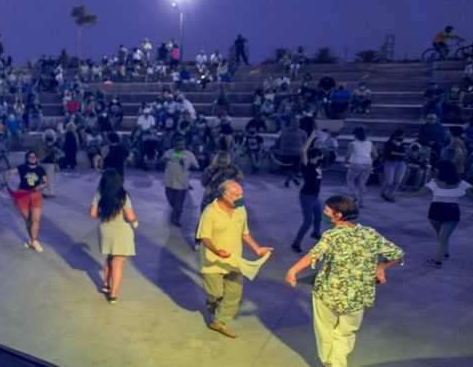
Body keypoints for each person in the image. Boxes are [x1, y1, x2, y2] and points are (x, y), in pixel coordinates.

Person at [285, 195, 404, 367]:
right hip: (357, 296)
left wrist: (292, 271)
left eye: (327, 211)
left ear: (338, 215)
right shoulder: (369, 233)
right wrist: (381, 268)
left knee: (325, 330)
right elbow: (398, 254)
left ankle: (330, 362)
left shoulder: (332, 236)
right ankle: (338, 362)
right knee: (346, 332)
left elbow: (314, 255)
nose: (324, 214)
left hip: (328, 293)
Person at [197, 180, 273, 338]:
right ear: (223, 195)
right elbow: (205, 237)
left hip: (234, 260)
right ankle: (212, 302)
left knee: (234, 293)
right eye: (236, 194)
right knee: (215, 293)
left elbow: (244, 232)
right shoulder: (210, 211)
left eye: (241, 194)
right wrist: (216, 251)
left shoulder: (241, 209)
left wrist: (257, 248)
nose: (240, 197)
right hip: (214, 261)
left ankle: (219, 322)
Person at [89, 169, 139, 304]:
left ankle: (106, 284)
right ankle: (113, 294)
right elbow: (130, 216)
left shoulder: (99, 193)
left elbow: (93, 214)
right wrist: (135, 223)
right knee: (118, 263)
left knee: (109, 258)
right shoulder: (123, 196)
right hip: (121, 231)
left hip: (105, 229)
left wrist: (105, 215)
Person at [411, 160, 471, 268]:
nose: (435, 170)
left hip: (449, 212)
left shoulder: (461, 183)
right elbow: (418, 193)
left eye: (437, 168)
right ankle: (445, 252)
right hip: (435, 213)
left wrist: (399, 196)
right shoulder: (434, 182)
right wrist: (400, 196)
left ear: (442, 170)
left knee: (443, 237)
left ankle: (438, 261)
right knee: (441, 236)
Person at [7, 151, 49, 253]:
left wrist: (41, 186)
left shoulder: (40, 169)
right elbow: (9, 173)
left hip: (35, 195)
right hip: (22, 195)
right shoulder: (22, 167)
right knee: (28, 220)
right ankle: (32, 240)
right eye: (30, 156)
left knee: (36, 220)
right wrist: (6, 182)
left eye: (34, 156)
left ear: (36, 158)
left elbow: (46, 181)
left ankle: (34, 240)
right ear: (27, 158)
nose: (32, 158)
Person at [292, 131, 324, 253]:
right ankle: (296, 243)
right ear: (313, 157)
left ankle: (315, 233)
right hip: (307, 196)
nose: (321, 157)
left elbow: (319, 150)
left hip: (315, 196)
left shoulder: (317, 165)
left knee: (318, 216)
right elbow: (303, 150)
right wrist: (311, 137)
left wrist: (319, 140)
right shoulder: (307, 166)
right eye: (319, 156)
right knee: (308, 221)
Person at [162, 136, 199, 227]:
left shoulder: (189, 155)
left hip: (181, 184)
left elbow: (197, 167)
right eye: (178, 144)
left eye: (182, 144)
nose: (180, 146)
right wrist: (164, 161)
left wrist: (185, 164)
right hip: (169, 183)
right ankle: (176, 214)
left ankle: (175, 219)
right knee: (173, 203)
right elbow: (161, 162)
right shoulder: (168, 152)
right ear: (174, 144)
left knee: (178, 205)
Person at [345, 127, 376, 208]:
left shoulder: (352, 143)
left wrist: (345, 161)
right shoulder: (370, 143)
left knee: (350, 180)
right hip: (368, 164)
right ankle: (361, 202)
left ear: (355, 135)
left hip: (356, 163)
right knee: (362, 183)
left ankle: (354, 195)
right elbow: (375, 155)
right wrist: (370, 160)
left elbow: (348, 155)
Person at [380, 130, 407, 202]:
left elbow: (405, 152)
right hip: (390, 163)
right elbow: (390, 153)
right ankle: (383, 191)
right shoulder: (388, 143)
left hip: (401, 163)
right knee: (389, 181)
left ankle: (390, 195)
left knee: (398, 181)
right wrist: (400, 152)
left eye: (403, 136)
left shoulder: (402, 143)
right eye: (401, 135)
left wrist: (400, 149)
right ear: (396, 135)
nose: (403, 137)